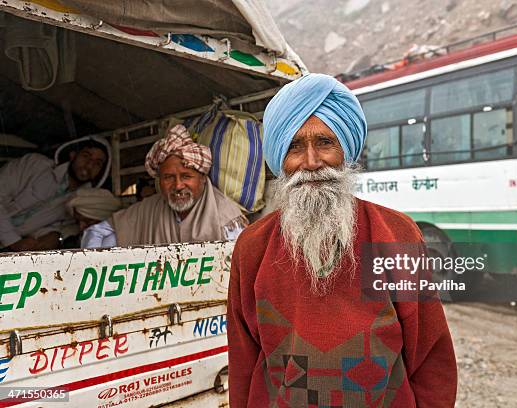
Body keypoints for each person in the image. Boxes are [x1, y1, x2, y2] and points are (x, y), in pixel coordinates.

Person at [227, 74, 457, 407]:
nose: (311, 162)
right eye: (294, 146)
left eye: (324, 142)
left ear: (345, 150)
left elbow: (431, 356)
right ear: (280, 159)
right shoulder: (252, 248)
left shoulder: (395, 234)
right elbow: (244, 362)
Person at [82, 125, 245, 248]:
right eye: (168, 177)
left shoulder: (226, 219)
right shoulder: (150, 208)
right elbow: (97, 233)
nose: (178, 185)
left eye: (186, 176)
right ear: (159, 181)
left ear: (203, 178)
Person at [0, 137, 110, 252]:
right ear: (73, 155)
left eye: (97, 163)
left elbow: (44, 225)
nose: (89, 165)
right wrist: (13, 240)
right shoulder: (35, 165)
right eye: (86, 156)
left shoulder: (82, 203)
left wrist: (55, 236)